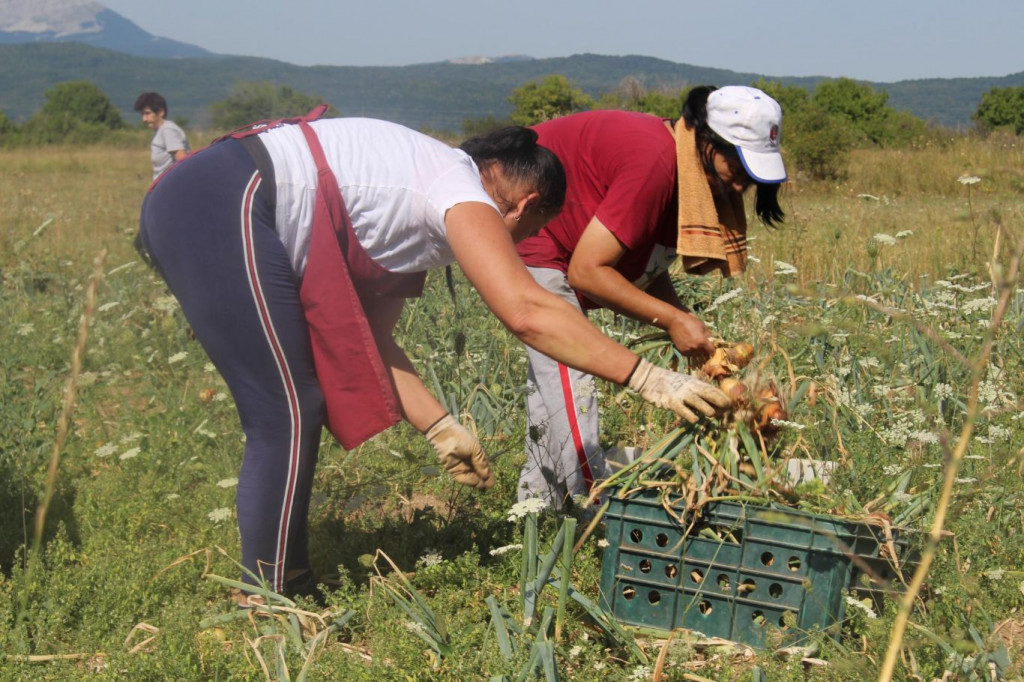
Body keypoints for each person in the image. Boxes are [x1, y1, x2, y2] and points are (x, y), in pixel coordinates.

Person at [136, 108, 730, 604]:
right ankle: (270, 596)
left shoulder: (418, 217)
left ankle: (280, 585)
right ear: (523, 207)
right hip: (222, 197)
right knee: (286, 413)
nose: (515, 248)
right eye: (525, 237)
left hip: (213, 200)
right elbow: (526, 310)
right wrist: (652, 379)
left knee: (292, 408)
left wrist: (441, 428)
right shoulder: (457, 188)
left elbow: (374, 338)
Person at [514, 85, 787, 511]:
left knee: (553, 390)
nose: (742, 182)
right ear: (708, 142)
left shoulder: (690, 178)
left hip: (567, 248)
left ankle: (535, 509)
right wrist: (673, 320)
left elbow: (644, 265)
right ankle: (598, 512)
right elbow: (588, 272)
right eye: (737, 163)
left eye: (752, 174)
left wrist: (682, 320)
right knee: (569, 368)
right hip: (533, 230)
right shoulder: (656, 163)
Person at [134, 91, 190, 180]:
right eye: (142, 114)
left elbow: (183, 161)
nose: (144, 119)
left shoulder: (168, 130)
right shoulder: (161, 131)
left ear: (160, 112)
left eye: (147, 113)